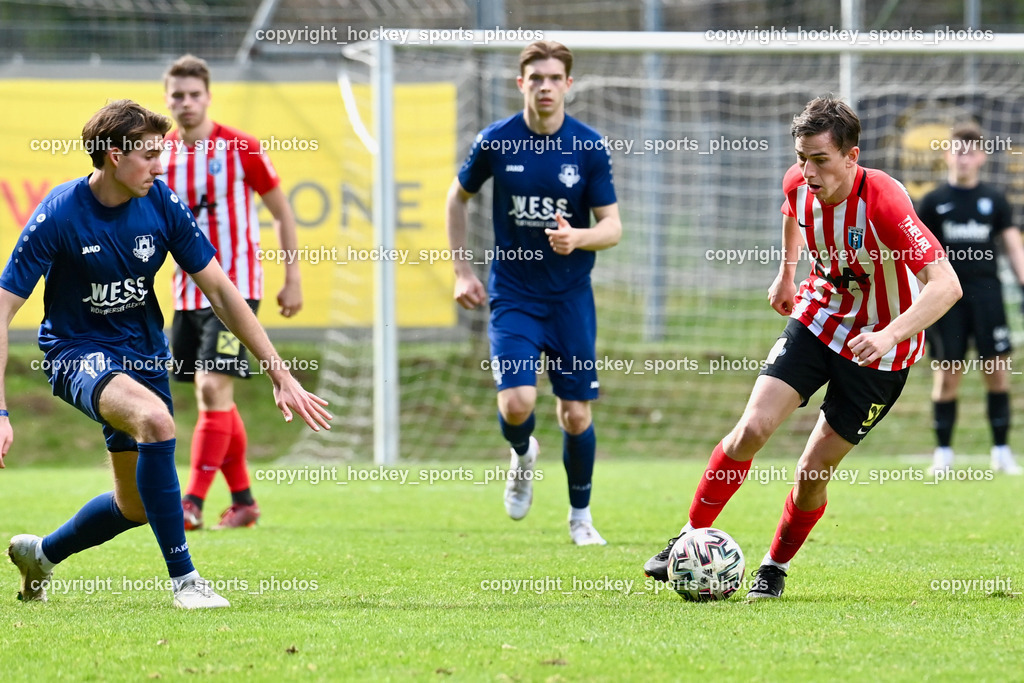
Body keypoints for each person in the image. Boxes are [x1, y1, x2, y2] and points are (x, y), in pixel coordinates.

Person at [1, 100, 331, 608]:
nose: (161, 164)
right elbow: (1, 312)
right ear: (114, 156)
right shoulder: (59, 214)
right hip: (75, 353)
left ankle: (41, 555)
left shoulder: (162, 203)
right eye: (150, 155)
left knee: (133, 506)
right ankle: (187, 582)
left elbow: (222, 292)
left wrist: (280, 373)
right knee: (157, 421)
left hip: (144, 356)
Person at [643, 95, 962, 598]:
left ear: (851, 157)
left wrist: (888, 334)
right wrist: (786, 274)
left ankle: (774, 566)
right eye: (800, 158)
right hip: (819, 318)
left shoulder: (884, 200)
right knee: (752, 428)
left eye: (820, 160)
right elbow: (792, 213)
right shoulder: (797, 182)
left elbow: (946, 285)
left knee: (812, 470)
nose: (807, 171)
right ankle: (687, 538)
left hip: (881, 347)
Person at [445, 40, 622, 545]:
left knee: (576, 413)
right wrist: (462, 271)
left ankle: (580, 518)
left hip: (570, 299)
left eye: (554, 78)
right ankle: (522, 454)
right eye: (535, 78)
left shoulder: (586, 147)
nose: (545, 87)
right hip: (514, 294)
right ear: (521, 83)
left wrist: (578, 238)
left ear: (568, 84)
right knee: (518, 402)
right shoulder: (496, 140)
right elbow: (455, 200)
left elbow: (612, 227)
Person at [162, 54, 303, 530]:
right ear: (168, 99)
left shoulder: (240, 148)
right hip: (185, 292)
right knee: (216, 400)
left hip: (235, 289)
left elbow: (283, 213)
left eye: (193, 95)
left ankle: (191, 503)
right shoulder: (159, 154)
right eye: (177, 95)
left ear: (208, 97)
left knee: (211, 386)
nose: (185, 103)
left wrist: (293, 277)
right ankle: (243, 501)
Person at [916, 122, 1024, 475]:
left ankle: (1001, 451)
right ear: (948, 154)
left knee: (997, 372)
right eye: (957, 152)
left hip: (988, 300)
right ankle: (943, 453)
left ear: (981, 157)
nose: (963, 159)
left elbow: (1013, 247)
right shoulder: (933, 202)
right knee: (947, 375)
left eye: (970, 153)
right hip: (947, 303)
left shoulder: (994, 200)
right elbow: (917, 252)